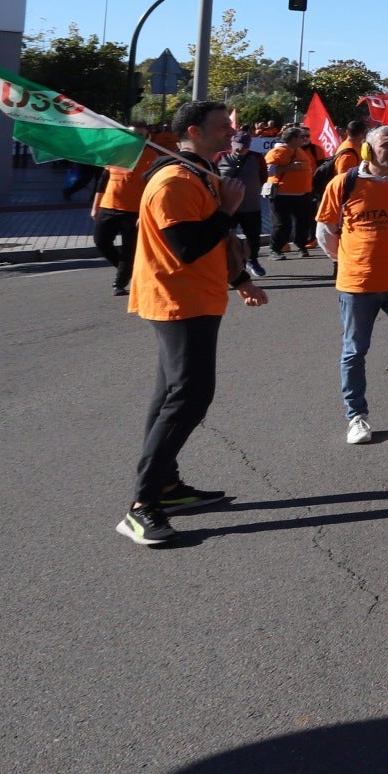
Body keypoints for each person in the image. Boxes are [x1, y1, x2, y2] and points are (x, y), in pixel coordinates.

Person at [115, 101, 269, 548]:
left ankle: (166, 486)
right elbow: (186, 246)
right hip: (178, 301)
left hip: (197, 297)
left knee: (171, 394)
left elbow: (214, 240)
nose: (232, 132)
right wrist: (228, 209)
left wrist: (240, 280)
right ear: (195, 132)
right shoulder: (174, 181)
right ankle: (142, 505)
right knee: (190, 396)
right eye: (223, 127)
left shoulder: (200, 173)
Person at [316, 124, 388, 446]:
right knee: (354, 352)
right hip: (357, 285)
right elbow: (325, 233)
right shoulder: (343, 183)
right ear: (368, 149)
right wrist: (352, 259)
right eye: (387, 144)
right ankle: (356, 417)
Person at [92, 125, 167, 297]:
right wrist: (96, 205)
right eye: (132, 134)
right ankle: (126, 269)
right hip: (109, 206)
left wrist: (147, 212)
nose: (136, 137)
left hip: (135, 211)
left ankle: (119, 282)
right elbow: (103, 180)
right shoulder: (115, 153)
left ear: (147, 137)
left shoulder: (152, 157)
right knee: (101, 241)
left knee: (129, 249)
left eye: (141, 135)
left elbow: (154, 187)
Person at [265, 121, 326, 258]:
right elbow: (268, 171)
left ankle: (301, 246)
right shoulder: (276, 152)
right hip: (281, 194)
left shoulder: (299, 151)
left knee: (302, 222)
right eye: (301, 137)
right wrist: (289, 167)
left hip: (302, 194)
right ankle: (276, 249)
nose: (304, 139)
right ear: (293, 139)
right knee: (282, 224)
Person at [219, 130, 269, 279]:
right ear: (232, 144)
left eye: (244, 147)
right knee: (225, 237)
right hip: (228, 207)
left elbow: (263, 177)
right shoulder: (220, 157)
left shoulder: (257, 158)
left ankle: (252, 260)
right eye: (237, 146)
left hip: (251, 205)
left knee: (253, 236)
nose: (240, 149)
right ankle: (227, 265)